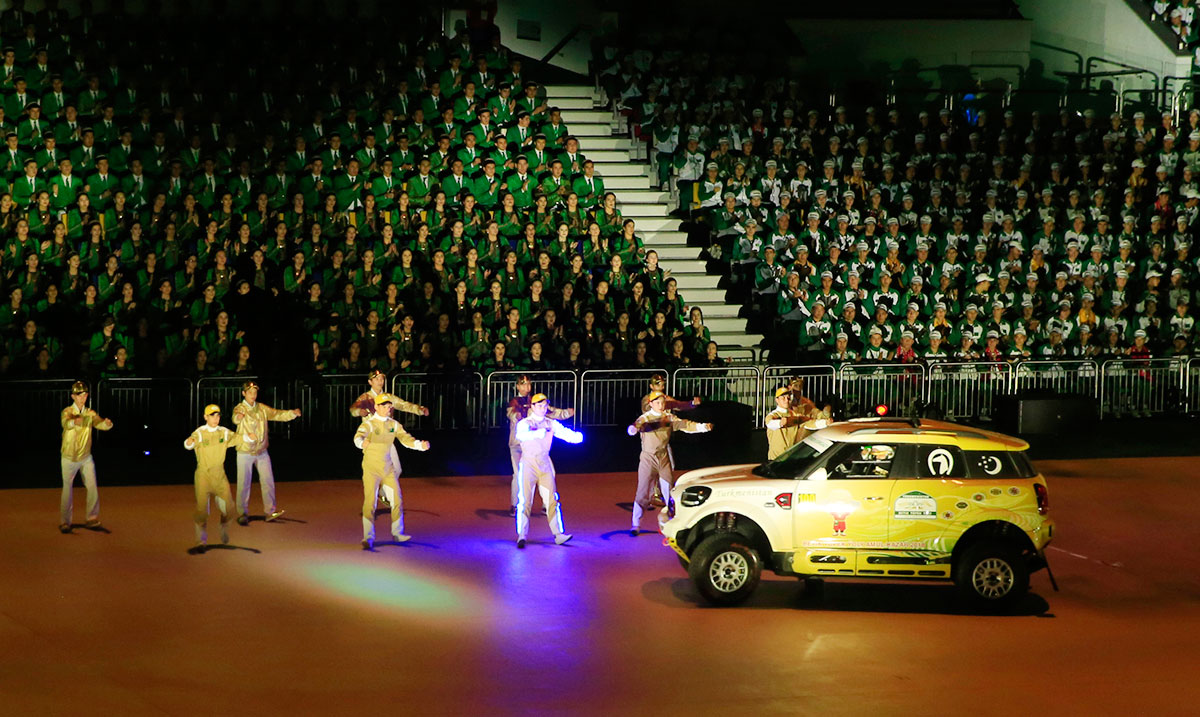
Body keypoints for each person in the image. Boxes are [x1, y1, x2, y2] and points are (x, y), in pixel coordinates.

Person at [626, 391, 712, 535]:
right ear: (651, 404)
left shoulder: (669, 417)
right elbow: (635, 427)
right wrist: (633, 429)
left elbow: (684, 425)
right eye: (657, 402)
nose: (661, 405)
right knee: (643, 491)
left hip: (663, 457)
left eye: (662, 402)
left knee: (668, 491)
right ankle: (636, 525)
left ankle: (673, 522)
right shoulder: (645, 418)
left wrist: (703, 427)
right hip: (648, 458)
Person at [353, 393, 430, 550]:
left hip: (387, 469)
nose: (388, 409)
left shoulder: (394, 424)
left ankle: (397, 533)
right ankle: (368, 537)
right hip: (371, 469)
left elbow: (405, 439)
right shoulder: (369, 424)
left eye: (389, 407)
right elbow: (358, 437)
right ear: (376, 407)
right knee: (370, 502)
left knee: (397, 500)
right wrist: (362, 443)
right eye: (384, 406)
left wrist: (418, 445)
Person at [349, 368, 429, 507]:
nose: (380, 381)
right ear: (370, 382)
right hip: (372, 441)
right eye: (377, 379)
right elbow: (353, 409)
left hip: (387, 439)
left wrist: (419, 409)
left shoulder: (388, 398)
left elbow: (403, 405)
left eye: (382, 379)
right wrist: (358, 412)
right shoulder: (365, 398)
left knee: (396, 469)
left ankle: (382, 493)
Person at [183, 404, 256, 554]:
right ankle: (201, 541)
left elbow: (237, 438)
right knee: (202, 510)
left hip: (219, 475)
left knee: (229, 509)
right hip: (203, 475)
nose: (215, 418)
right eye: (212, 415)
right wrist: (189, 443)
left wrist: (249, 437)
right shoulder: (200, 432)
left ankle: (223, 526)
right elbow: (189, 443)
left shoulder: (224, 432)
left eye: (217, 415)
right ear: (205, 417)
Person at [514, 393, 582, 548]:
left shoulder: (551, 423)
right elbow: (520, 435)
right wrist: (537, 433)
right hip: (528, 463)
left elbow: (564, 433)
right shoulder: (525, 423)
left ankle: (558, 534)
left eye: (545, 406)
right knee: (525, 500)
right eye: (539, 406)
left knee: (552, 500)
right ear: (532, 406)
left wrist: (576, 438)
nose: (543, 409)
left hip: (544, 463)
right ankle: (522, 534)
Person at [231, 380, 300, 525]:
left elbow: (276, 414)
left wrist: (291, 414)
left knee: (268, 480)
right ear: (244, 393)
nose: (253, 395)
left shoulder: (261, 408)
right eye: (250, 392)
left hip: (262, 450)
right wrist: (238, 417)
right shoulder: (240, 408)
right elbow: (235, 418)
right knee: (244, 483)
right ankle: (242, 513)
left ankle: (270, 511)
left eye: (255, 392)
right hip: (245, 451)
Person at [505, 374, 573, 515]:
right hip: (519, 444)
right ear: (517, 386)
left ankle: (547, 503)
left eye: (528, 384)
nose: (526, 387)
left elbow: (550, 411)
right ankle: (515, 505)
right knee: (519, 474)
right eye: (523, 384)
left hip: (536, 446)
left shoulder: (534, 401)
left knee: (549, 472)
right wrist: (522, 416)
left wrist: (566, 413)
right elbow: (512, 415)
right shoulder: (513, 402)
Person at [58, 380, 113, 533]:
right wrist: (77, 420)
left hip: (85, 456)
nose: (82, 398)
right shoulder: (67, 411)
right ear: (73, 396)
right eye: (79, 395)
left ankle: (92, 517)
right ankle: (65, 521)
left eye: (84, 395)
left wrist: (107, 424)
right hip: (68, 456)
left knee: (92, 486)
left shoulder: (90, 412)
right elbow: (66, 423)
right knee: (67, 489)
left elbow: (99, 423)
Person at [764, 387, 806, 460]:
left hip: (791, 458)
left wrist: (824, 422)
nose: (786, 400)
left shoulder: (795, 415)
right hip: (775, 459)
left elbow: (809, 423)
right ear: (777, 400)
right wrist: (780, 423)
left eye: (788, 398)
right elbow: (770, 423)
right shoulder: (773, 415)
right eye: (783, 398)